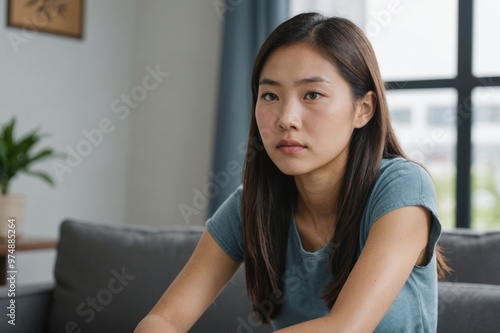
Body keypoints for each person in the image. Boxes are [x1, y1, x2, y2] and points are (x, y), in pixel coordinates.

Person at [134, 12, 449, 332]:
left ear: (363, 109)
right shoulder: (251, 206)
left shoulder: (402, 188)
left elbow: (344, 328)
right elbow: (166, 318)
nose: (286, 118)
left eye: (312, 94)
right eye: (270, 95)